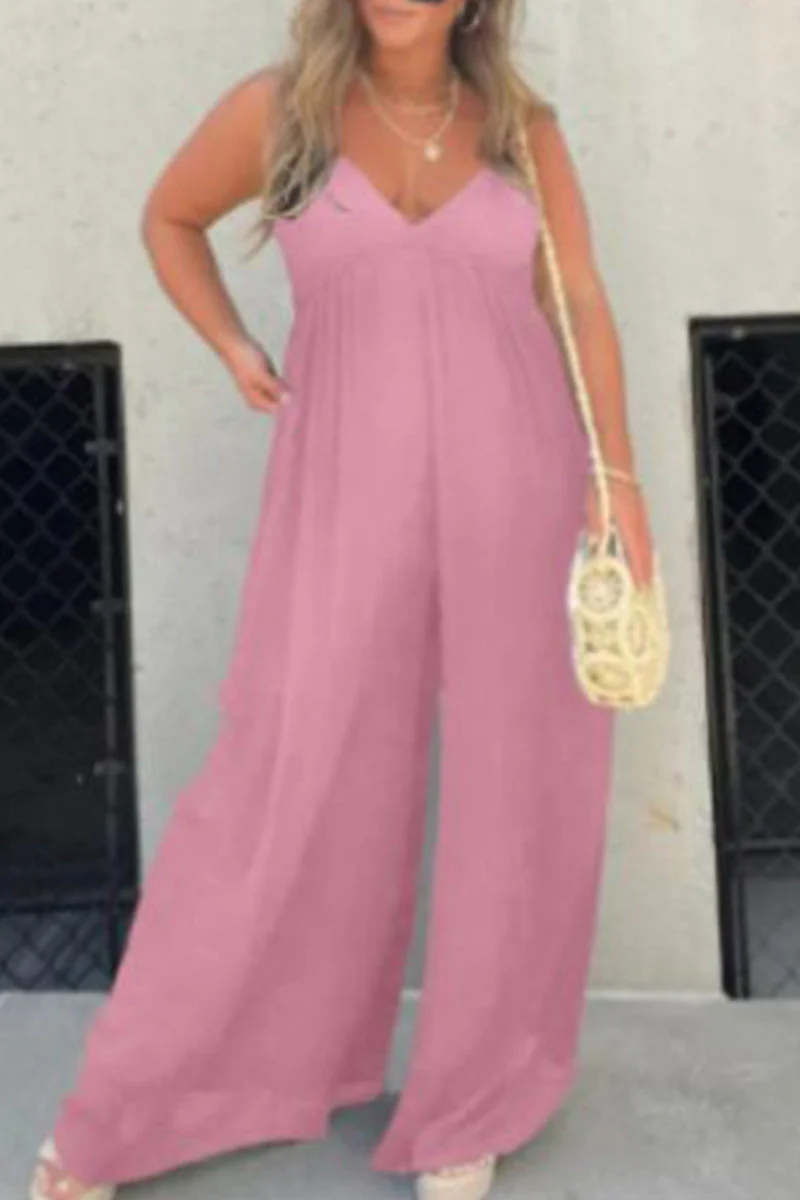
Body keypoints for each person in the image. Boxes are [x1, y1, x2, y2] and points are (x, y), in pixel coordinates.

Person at [28, 1, 654, 1198]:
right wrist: (230, 345)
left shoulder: (520, 128)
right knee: (282, 775)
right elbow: (169, 217)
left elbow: (575, 295)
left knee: (519, 788)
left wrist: (613, 477)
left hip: (518, 486)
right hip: (340, 490)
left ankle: (472, 1100)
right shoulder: (281, 113)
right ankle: (146, 1102)